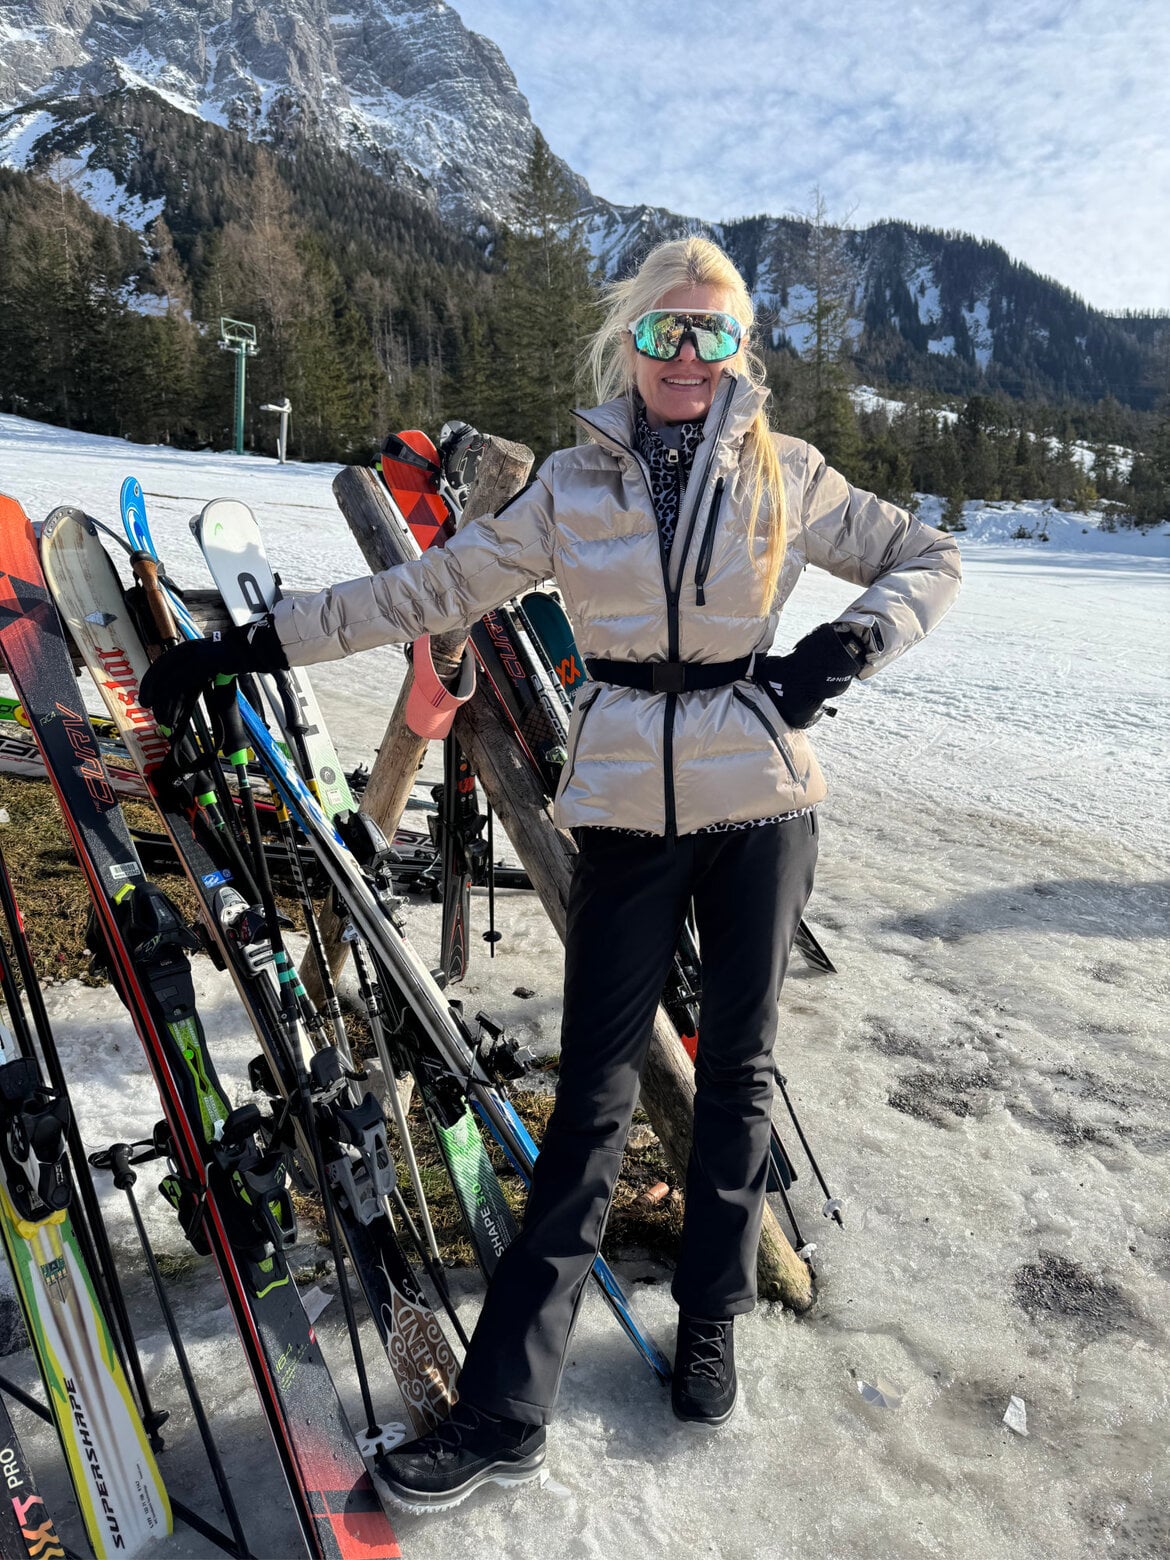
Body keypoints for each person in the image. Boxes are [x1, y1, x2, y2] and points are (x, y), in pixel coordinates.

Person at [142, 236, 961, 1512]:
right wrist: (247, 642)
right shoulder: (576, 485)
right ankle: (505, 1405)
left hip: (763, 807)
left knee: (737, 1073)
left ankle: (711, 1314)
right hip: (629, 809)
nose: (685, 356)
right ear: (628, 342)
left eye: (711, 335)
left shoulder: (788, 475)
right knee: (591, 1101)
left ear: (742, 352)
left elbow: (933, 559)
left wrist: (850, 642)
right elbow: (423, 589)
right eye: (662, 332)